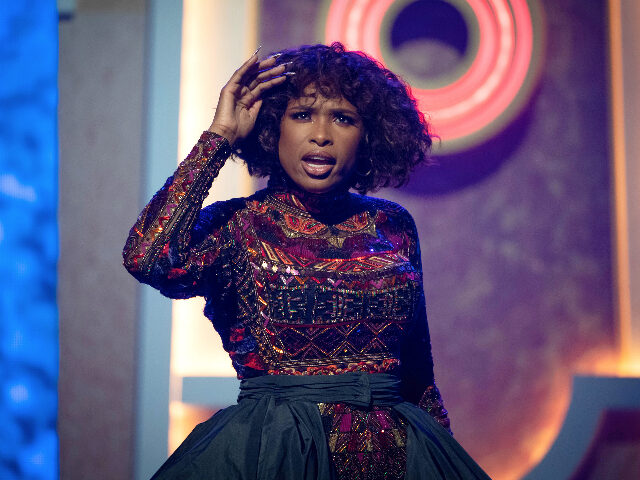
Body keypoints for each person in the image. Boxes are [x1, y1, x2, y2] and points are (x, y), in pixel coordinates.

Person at [123, 42, 490, 480]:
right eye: (302, 115)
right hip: (278, 453)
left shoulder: (392, 224)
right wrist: (219, 136)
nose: (321, 134)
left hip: (394, 455)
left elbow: (417, 370)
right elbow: (147, 257)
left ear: (368, 135)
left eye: (343, 117)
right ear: (271, 128)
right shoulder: (241, 225)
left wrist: (442, 451)